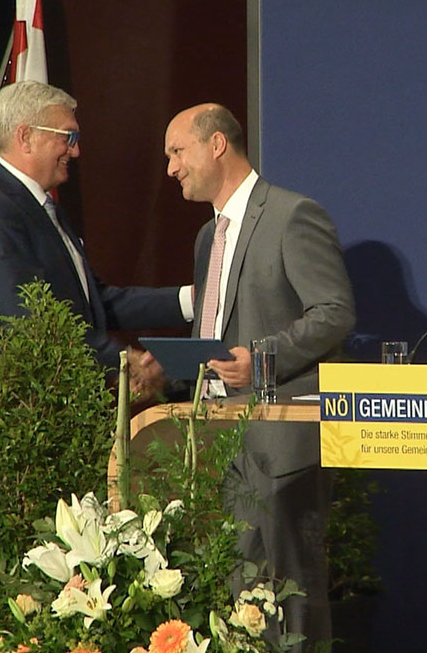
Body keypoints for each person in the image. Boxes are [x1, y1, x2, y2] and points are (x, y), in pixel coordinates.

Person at [164, 103, 355, 650]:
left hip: (281, 443)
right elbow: (215, 328)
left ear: (216, 144)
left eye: (177, 152)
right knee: (237, 597)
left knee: (291, 594)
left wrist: (262, 359)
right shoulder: (208, 237)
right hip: (218, 442)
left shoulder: (293, 215)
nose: (171, 168)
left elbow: (335, 312)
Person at [0, 80, 191, 453]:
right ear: (26, 137)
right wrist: (124, 362)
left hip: (54, 422)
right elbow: (31, 316)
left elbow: (92, 303)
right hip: (9, 427)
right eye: (68, 137)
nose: (76, 151)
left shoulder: (41, 208)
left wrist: (191, 300)